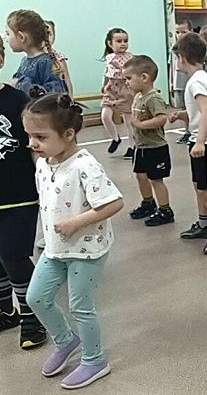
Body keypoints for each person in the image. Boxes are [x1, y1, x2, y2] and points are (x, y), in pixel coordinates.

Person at [23, 94, 124, 389]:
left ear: (68, 135)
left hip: (86, 250)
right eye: (29, 136)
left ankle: (95, 360)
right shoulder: (43, 163)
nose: (32, 143)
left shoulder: (85, 165)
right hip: (55, 248)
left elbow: (114, 203)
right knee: (36, 298)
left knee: (81, 306)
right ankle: (66, 341)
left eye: (40, 137)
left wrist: (75, 223)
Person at [0, 37, 47, 350]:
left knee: (14, 254)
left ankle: (33, 316)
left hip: (19, 193)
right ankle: (6, 310)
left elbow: (36, 146)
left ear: (1, 59)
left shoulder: (17, 101)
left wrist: (46, 184)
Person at [169, 33, 207, 255]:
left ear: (182, 58)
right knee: (199, 186)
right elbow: (201, 111)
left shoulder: (196, 82)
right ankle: (204, 224)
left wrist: (201, 142)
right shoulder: (199, 78)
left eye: (177, 58)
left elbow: (206, 113)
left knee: (206, 189)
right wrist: (183, 115)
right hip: (200, 140)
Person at [124, 55, 174, 226]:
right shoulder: (138, 96)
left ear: (144, 77)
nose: (127, 82)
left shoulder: (153, 98)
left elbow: (161, 119)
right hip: (141, 146)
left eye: (129, 78)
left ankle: (165, 210)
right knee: (140, 175)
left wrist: (140, 124)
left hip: (155, 147)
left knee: (156, 180)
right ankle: (148, 203)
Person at [5, 9, 66, 96]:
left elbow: (56, 92)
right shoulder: (25, 61)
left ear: (21, 37)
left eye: (8, 34)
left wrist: (20, 84)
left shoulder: (45, 62)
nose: (6, 38)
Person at [100, 28, 135, 159]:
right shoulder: (109, 57)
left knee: (128, 121)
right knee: (105, 116)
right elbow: (107, 73)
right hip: (111, 89)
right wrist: (104, 85)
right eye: (119, 41)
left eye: (125, 41)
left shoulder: (130, 57)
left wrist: (120, 67)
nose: (123, 44)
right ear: (110, 43)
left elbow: (130, 74)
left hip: (125, 89)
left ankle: (132, 146)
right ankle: (115, 138)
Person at [170, 18, 193, 144]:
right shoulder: (174, 49)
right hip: (178, 84)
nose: (180, 35)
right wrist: (171, 83)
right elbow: (172, 67)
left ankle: (193, 131)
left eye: (184, 32)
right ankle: (187, 131)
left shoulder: (193, 49)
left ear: (191, 31)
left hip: (190, 83)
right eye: (177, 32)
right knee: (185, 109)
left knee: (192, 109)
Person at [45, 20, 74, 97]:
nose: (47, 37)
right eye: (43, 34)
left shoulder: (59, 58)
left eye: (49, 34)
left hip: (59, 98)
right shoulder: (33, 59)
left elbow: (68, 82)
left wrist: (71, 99)